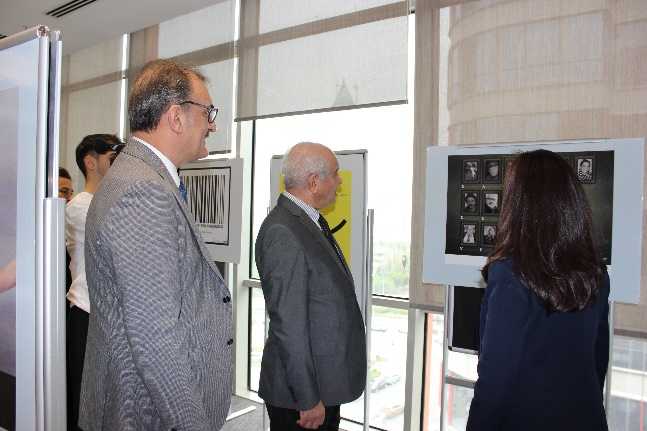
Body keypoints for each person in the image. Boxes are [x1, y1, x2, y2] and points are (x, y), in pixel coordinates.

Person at [79, 59, 233, 431]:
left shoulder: (141, 175)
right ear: (176, 117)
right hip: (145, 413)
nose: (213, 124)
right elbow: (155, 336)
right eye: (208, 112)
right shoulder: (143, 191)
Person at [466, 149, 610, 431]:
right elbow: (597, 361)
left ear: (518, 204)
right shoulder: (596, 274)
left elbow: (495, 381)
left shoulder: (510, 273)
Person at [255, 142, 367, 431]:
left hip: (322, 383)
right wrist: (307, 398)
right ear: (314, 182)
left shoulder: (307, 220)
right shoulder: (283, 231)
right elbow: (289, 325)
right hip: (301, 396)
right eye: (335, 174)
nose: (339, 181)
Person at [65, 133, 124, 431]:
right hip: (87, 315)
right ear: (90, 162)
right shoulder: (79, 207)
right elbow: (120, 240)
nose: (119, 166)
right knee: (86, 406)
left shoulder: (109, 203)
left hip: (109, 317)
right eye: (112, 159)